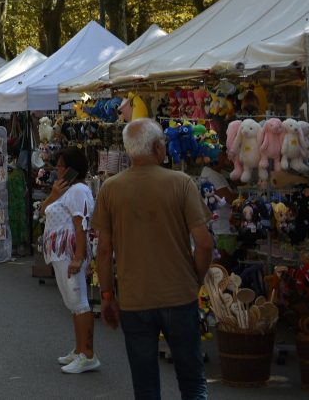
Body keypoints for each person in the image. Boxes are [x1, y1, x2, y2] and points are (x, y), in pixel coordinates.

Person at [92, 118, 213, 400]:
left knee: (146, 388)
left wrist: (107, 295)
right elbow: (204, 243)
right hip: (179, 296)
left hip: (135, 299)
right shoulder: (180, 183)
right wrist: (195, 279)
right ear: (159, 147)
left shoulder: (111, 188)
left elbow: (104, 250)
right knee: (193, 383)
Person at [39, 148, 99, 374]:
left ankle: (88, 354)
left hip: (69, 253)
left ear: (73, 168)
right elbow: (44, 211)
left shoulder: (79, 191)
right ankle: (80, 349)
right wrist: (53, 195)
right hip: (60, 254)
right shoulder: (65, 190)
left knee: (79, 302)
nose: (57, 169)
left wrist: (78, 256)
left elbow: (81, 224)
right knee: (73, 304)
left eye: (62, 165)